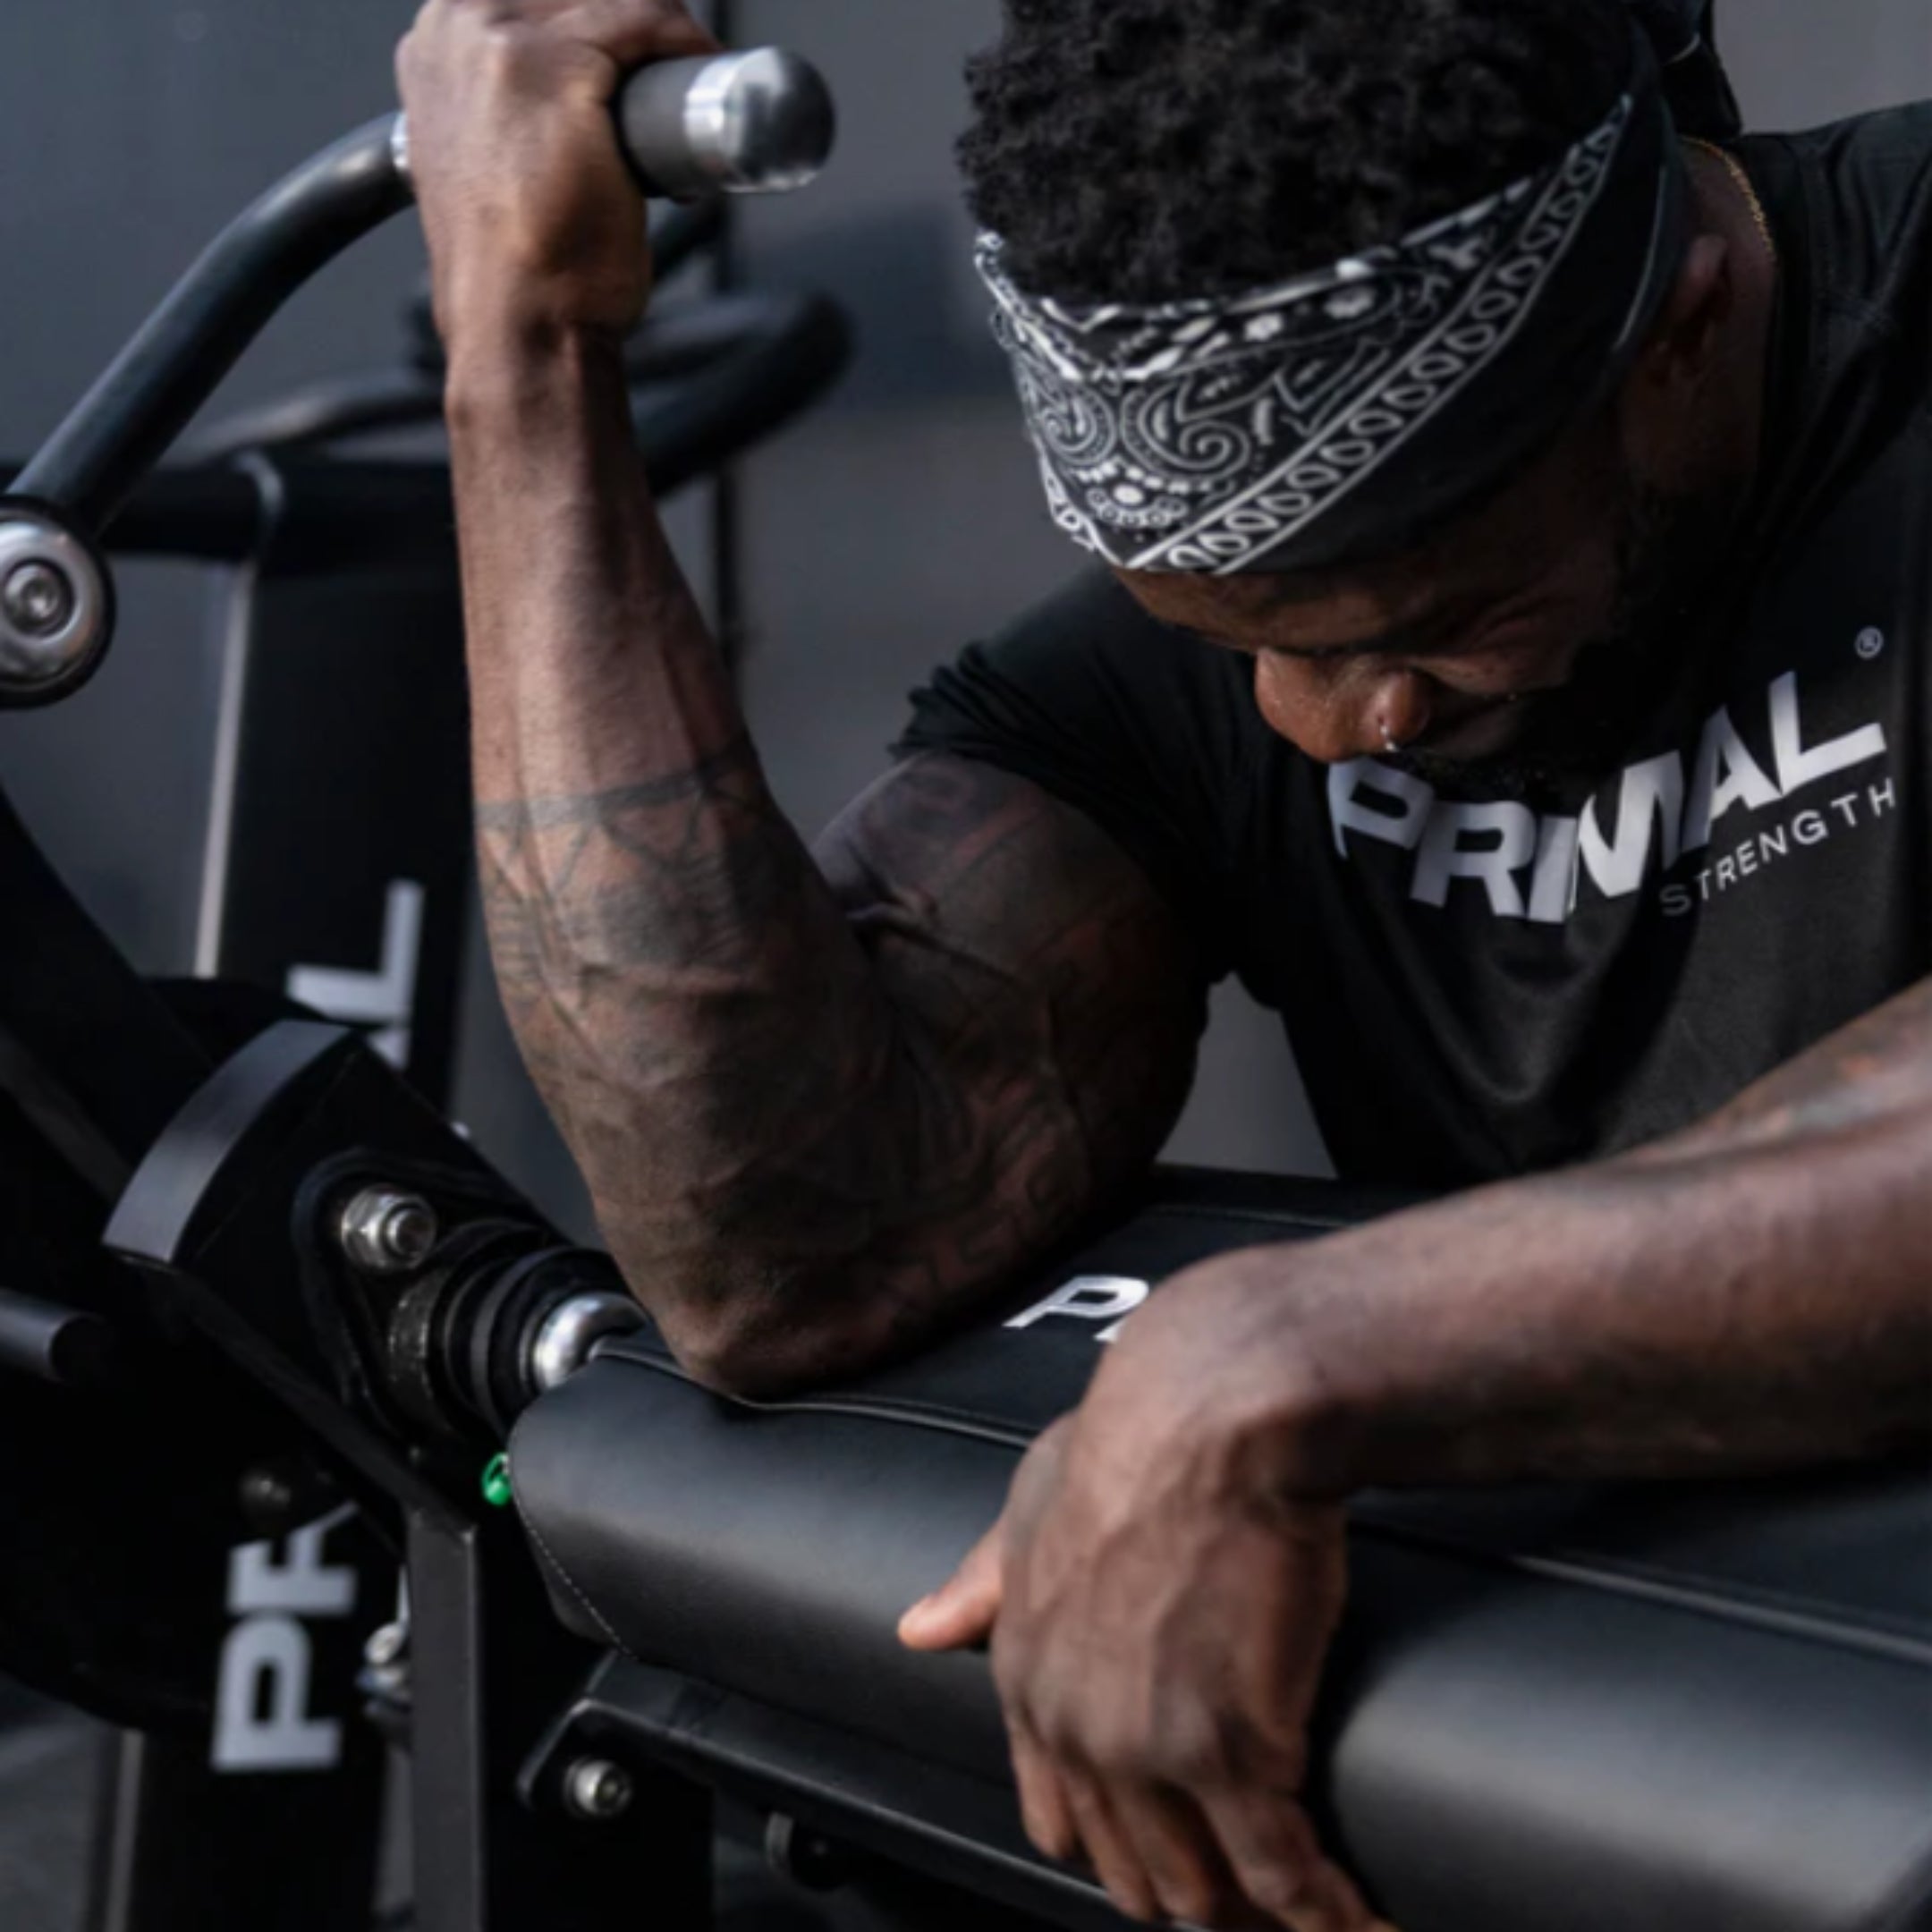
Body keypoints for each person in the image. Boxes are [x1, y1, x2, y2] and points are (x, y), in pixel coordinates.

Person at [397, 1, 1932, 1925]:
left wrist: (1283, 1347)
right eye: (1241, 644)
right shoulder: (1235, 643)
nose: (1322, 726)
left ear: (1680, 328)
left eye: (1425, 629)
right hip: (1634, 1769)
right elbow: (783, 1249)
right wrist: (525, 365)